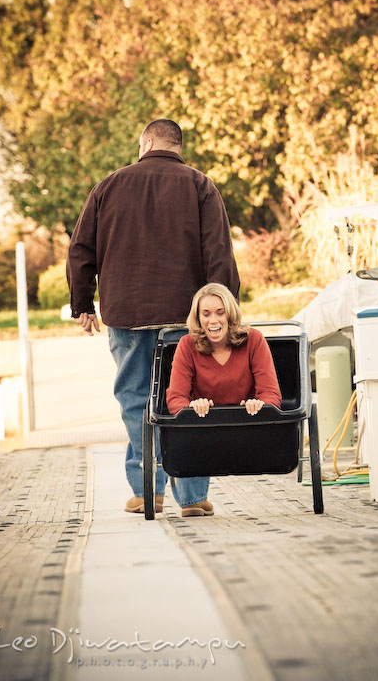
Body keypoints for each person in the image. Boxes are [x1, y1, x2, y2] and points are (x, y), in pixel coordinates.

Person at [67, 118, 240, 518]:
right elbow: (218, 252)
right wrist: (224, 309)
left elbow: (81, 249)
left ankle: (148, 491)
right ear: (178, 146)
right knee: (193, 397)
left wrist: (82, 303)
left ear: (145, 143)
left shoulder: (107, 186)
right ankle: (193, 497)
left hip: (127, 313)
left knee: (135, 397)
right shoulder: (200, 185)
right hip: (187, 316)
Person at [166, 283, 281, 421]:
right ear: (198, 318)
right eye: (206, 314)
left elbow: (271, 393)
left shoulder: (254, 340)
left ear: (230, 314)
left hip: (249, 423)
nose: (213, 320)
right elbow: (176, 398)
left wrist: (260, 405)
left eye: (220, 313)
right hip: (203, 426)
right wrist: (191, 408)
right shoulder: (187, 345)